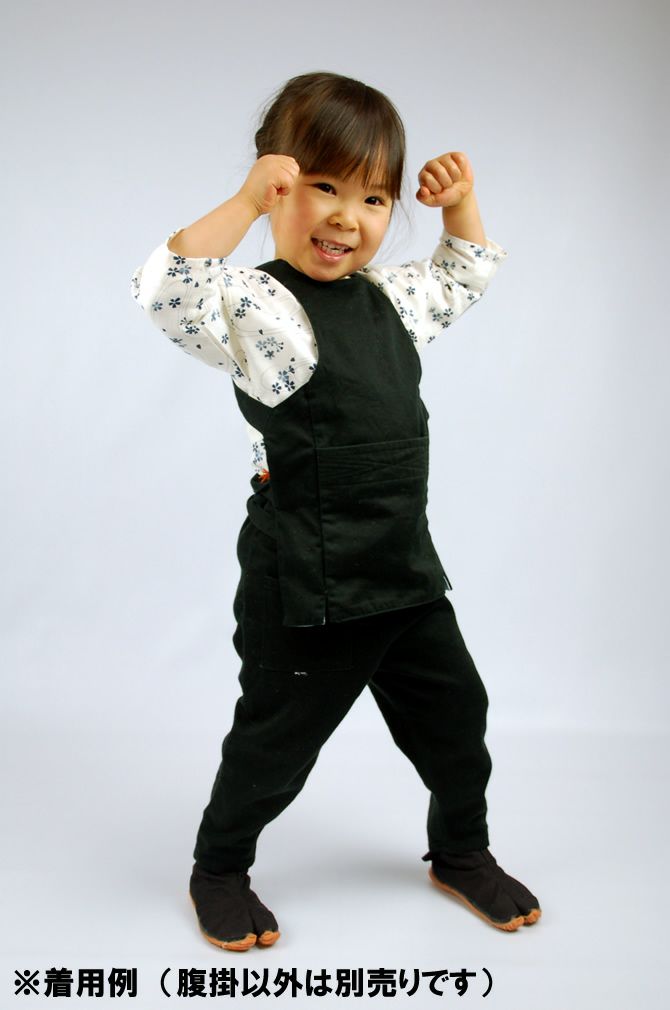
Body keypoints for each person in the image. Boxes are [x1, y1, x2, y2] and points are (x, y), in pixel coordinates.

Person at [130, 71, 541, 951]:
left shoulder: (389, 299)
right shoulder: (257, 305)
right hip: (308, 580)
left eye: (374, 198)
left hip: (404, 573)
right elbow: (167, 288)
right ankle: (218, 868)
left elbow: (462, 274)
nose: (347, 217)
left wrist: (460, 204)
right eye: (323, 186)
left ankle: (461, 852)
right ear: (278, 181)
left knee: (458, 722)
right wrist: (244, 203)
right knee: (275, 743)